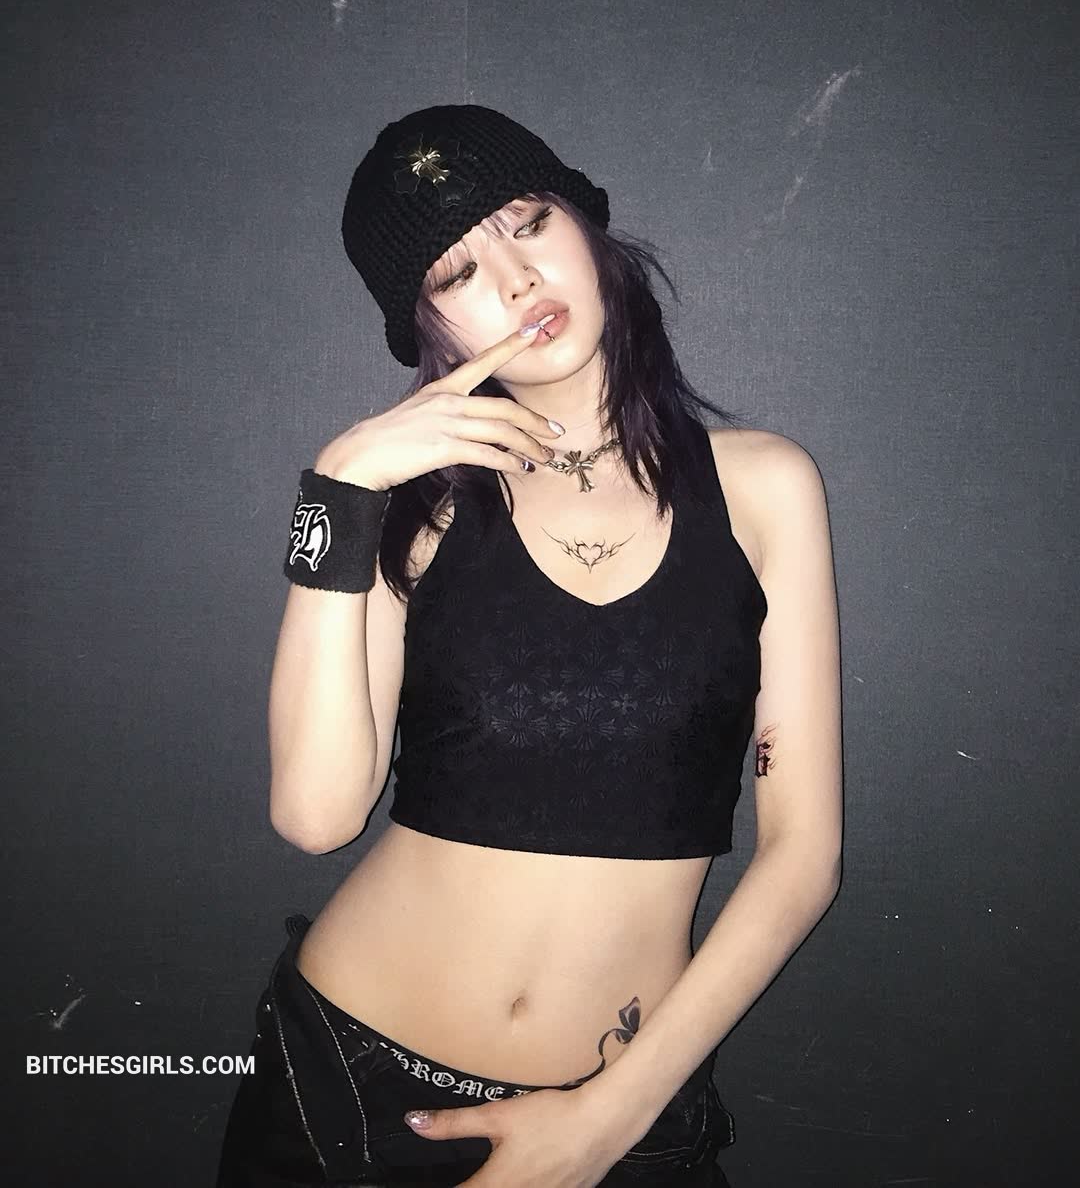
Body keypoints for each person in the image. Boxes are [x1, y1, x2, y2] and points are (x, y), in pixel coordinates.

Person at [215, 104, 843, 1188]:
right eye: (456, 273)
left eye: (528, 221)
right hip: (343, 1089)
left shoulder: (762, 488)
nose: (513, 280)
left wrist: (606, 1121)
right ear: (426, 327)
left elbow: (802, 857)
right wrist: (341, 490)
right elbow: (317, 817)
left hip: (618, 1109)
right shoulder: (418, 507)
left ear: (586, 227)